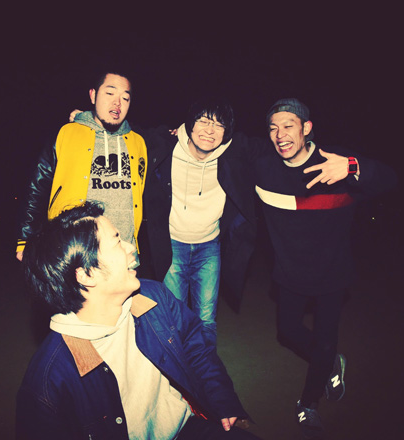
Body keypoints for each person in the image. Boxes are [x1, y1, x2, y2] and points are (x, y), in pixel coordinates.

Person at [15, 201, 261, 440]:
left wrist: (221, 398)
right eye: (117, 242)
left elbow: (196, 347)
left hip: (187, 426)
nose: (130, 247)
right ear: (86, 275)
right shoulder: (48, 381)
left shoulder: (153, 296)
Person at [254, 98, 397, 439]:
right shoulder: (263, 167)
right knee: (288, 332)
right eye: (273, 128)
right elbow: (220, 149)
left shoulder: (334, 162)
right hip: (289, 273)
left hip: (333, 274)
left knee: (323, 341)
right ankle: (330, 360)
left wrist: (353, 167)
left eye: (288, 125)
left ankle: (309, 403)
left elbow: (390, 179)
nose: (280, 134)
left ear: (306, 128)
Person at [141, 100, 258, 346]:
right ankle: (180, 369)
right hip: (172, 246)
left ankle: (205, 369)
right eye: (203, 121)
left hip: (209, 248)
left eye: (219, 125)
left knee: (206, 321)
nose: (210, 130)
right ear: (189, 124)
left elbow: (274, 148)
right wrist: (88, 119)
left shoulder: (232, 156)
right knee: (175, 319)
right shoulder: (165, 147)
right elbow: (127, 132)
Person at [15, 71, 147, 262]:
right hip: (73, 251)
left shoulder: (139, 142)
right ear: (93, 95)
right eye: (110, 93)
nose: (117, 103)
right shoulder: (66, 133)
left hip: (123, 253)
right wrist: (25, 240)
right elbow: (37, 189)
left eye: (125, 98)